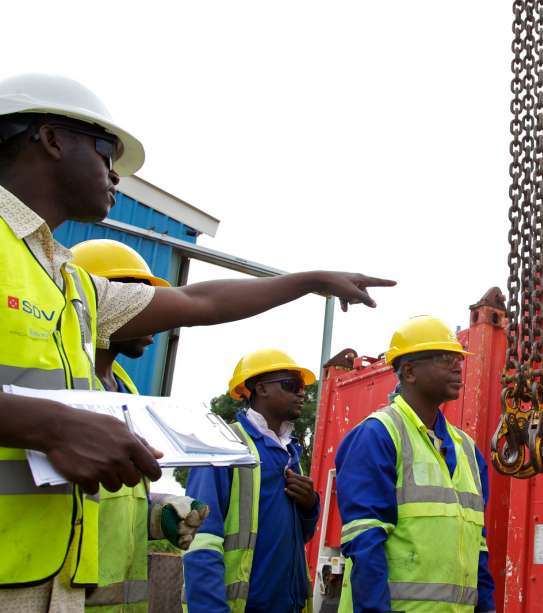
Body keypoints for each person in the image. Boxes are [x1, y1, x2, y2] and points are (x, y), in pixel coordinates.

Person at [0, 73, 393, 609]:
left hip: (46, 577)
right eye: (105, 152)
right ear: (50, 138)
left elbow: (198, 302)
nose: (114, 174)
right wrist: (53, 426)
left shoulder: (68, 282)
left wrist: (307, 281)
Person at [72, 238, 210, 612]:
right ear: (102, 302)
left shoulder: (128, 391)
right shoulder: (66, 385)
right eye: (140, 303)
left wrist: (158, 515)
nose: (156, 319)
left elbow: (108, 501)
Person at [334, 316, 496, 613]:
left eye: (458, 359)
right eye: (445, 359)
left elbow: (479, 550)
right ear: (409, 372)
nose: (458, 367)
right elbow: (365, 541)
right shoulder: (377, 435)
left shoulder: (468, 450)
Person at [183, 349, 320, 613]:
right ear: (261, 388)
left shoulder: (289, 452)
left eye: (303, 387)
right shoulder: (222, 446)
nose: (302, 393)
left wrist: (309, 506)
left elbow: (297, 537)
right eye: (291, 385)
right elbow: (200, 539)